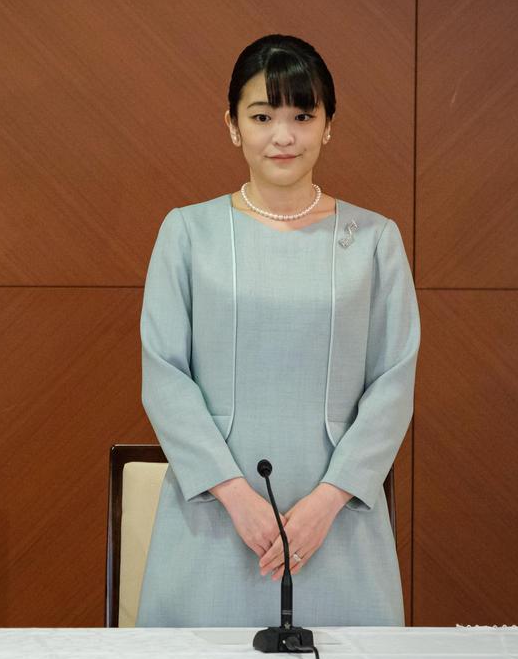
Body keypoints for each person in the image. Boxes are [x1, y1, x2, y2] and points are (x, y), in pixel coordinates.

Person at [137, 34, 417, 627]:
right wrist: (238, 498)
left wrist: (326, 502)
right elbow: (164, 374)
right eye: (262, 116)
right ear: (234, 126)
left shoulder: (374, 240)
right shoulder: (188, 234)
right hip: (214, 517)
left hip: (339, 520)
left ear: (328, 126)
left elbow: (394, 382)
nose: (283, 135)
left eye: (302, 115)